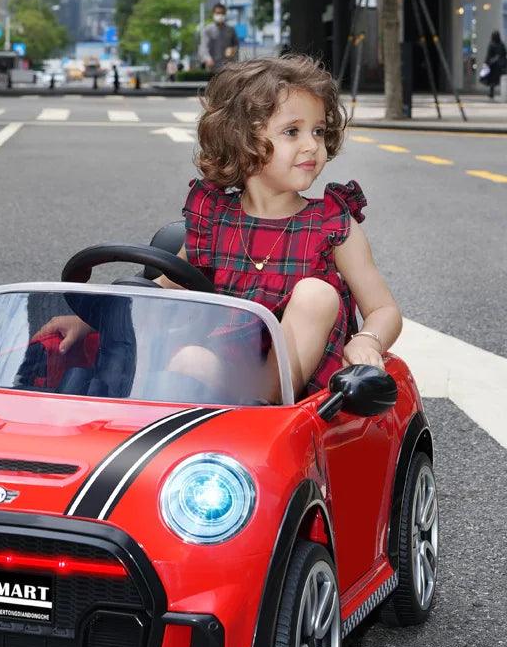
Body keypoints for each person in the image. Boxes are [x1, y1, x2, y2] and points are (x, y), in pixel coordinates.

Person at [40, 56, 402, 403]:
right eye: (293, 131)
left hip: (302, 394)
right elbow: (162, 291)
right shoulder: (215, 217)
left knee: (315, 294)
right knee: (189, 358)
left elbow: (384, 309)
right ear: (240, 139)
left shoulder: (332, 223)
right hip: (225, 374)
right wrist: (90, 322)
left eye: (319, 131)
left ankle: (264, 404)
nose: (312, 145)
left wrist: (368, 340)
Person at [198, 3, 239, 71]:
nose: (220, 15)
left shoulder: (231, 30)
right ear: (213, 14)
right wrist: (207, 59)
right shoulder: (208, 30)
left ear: (225, 14)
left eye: (222, 13)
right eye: (218, 13)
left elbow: (236, 45)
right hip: (211, 67)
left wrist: (233, 50)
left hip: (228, 67)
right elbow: (203, 47)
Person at [484, 30, 507, 100]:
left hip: (493, 65)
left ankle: (492, 93)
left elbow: (488, 55)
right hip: (499, 65)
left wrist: (486, 62)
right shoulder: (501, 44)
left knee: (493, 80)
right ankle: (502, 93)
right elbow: (504, 54)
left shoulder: (492, 44)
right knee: (500, 80)